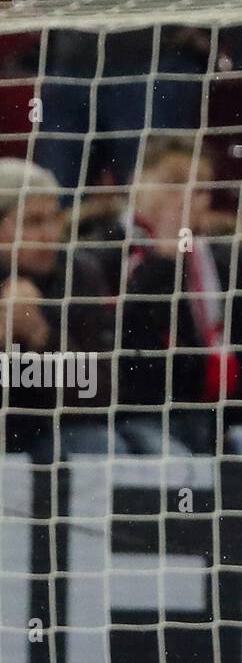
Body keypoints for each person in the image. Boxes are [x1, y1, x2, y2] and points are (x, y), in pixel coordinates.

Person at [87, 135, 242, 456]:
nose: (187, 197)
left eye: (200, 188)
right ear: (136, 183)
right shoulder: (97, 253)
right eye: (174, 183)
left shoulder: (229, 258)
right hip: (136, 420)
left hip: (223, 421)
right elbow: (120, 358)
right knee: (179, 468)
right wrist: (162, 262)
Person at [0, 157, 114, 460]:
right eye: (33, 222)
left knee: (98, 445)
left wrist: (40, 335)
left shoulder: (81, 274)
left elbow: (100, 391)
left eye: (54, 219)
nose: (50, 235)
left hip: (57, 429)